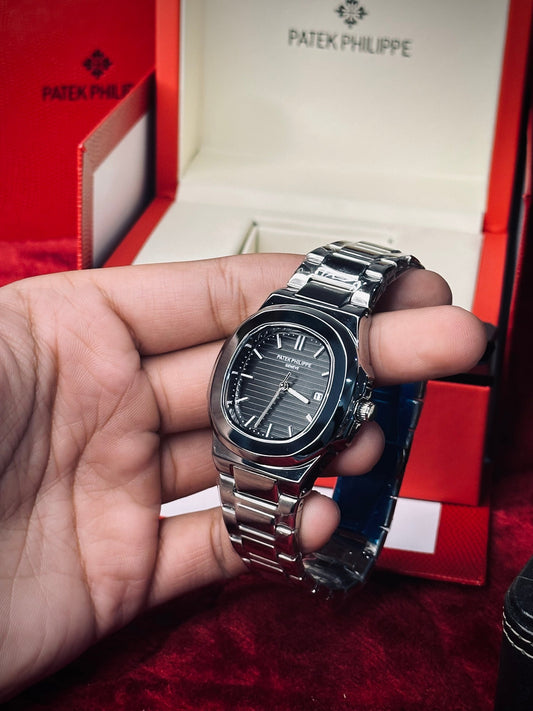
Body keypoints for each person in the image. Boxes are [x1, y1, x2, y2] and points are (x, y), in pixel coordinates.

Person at [0, 253, 487, 700]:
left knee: (353, 466)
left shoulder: (353, 395)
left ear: (356, 409)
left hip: (285, 441)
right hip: (239, 436)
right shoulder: (263, 337)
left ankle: (338, 552)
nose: (290, 382)